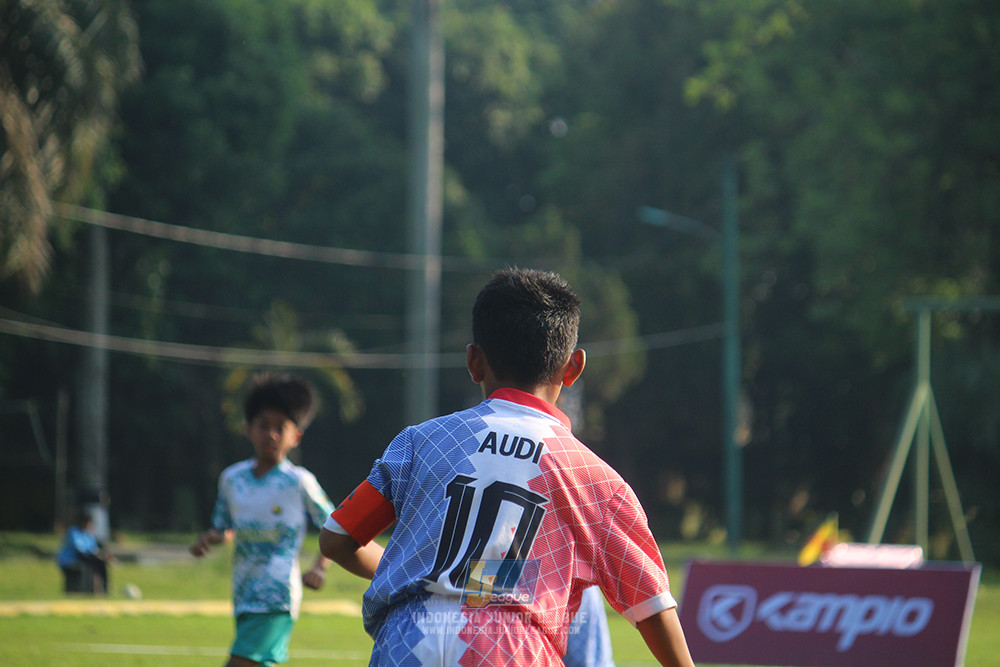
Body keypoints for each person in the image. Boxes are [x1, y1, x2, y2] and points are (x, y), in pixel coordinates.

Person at [320, 268, 695, 666]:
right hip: (512, 650)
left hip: (407, 640)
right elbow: (652, 606)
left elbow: (336, 539)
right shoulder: (595, 478)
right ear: (573, 368)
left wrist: (424, 572)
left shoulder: (420, 442)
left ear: (473, 361)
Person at [191, 373, 335, 667]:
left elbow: (336, 526)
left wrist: (320, 568)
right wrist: (211, 538)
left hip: (277, 593)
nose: (271, 434)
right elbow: (224, 527)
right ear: (248, 429)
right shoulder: (232, 479)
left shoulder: (299, 481)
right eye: (263, 425)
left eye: (280, 427)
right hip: (243, 591)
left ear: (296, 436)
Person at [57, 508, 111, 594]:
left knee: (101, 563)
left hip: (83, 558)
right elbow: (80, 550)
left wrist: (103, 556)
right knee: (89, 564)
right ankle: (85, 590)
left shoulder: (88, 534)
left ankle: (104, 589)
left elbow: (93, 549)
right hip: (69, 561)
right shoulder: (73, 531)